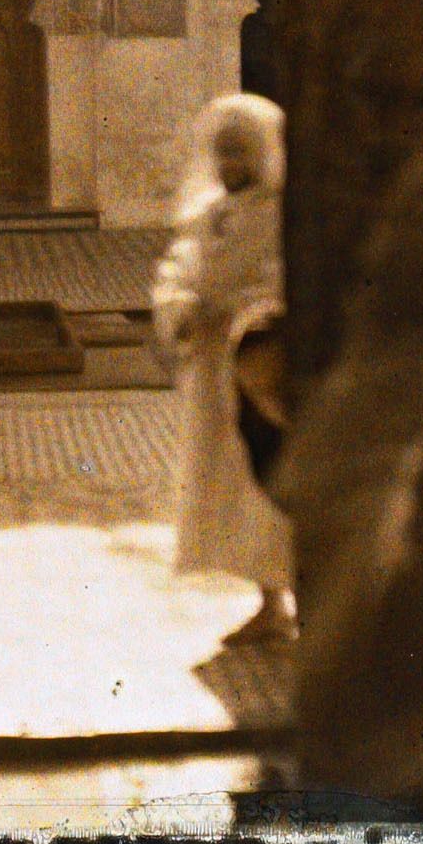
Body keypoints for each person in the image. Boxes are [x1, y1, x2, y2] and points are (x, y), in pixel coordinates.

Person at [153, 92, 295, 645]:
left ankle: (296, 594)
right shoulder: (211, 215)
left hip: (258, 366)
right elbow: (180, 271)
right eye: (224, 154)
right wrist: (182, 309)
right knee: (232, 479)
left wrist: (241, 311)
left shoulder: (284, 214)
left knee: (272, 475)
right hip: (212, 370)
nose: (231, 166)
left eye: (242, 154)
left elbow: (281, 280)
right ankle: (270, 598)